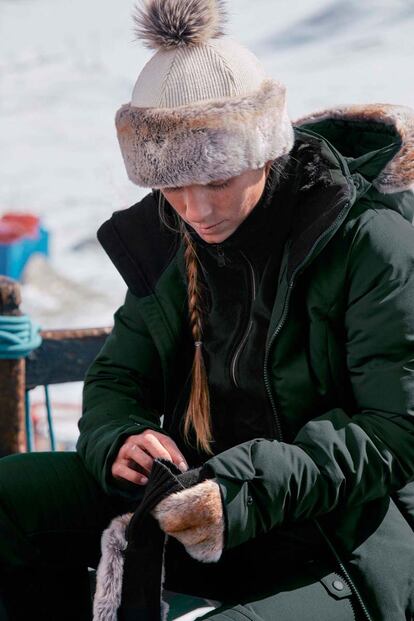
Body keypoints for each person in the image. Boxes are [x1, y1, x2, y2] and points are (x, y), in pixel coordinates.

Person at [1, 0, 414, 619]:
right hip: (192, 507)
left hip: (335, 538)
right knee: (10, 498)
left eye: (216, 179)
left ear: (264, 149)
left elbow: (396, 432)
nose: (195, 210)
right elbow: (119, 376)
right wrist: (120, 439)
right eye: (172, 182)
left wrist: (242, 487)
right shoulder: (174, 242)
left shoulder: (370, 242)